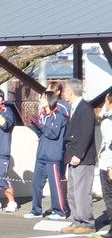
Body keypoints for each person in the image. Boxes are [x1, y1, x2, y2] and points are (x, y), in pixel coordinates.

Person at [26, 91, 69, 220]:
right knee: (36, 184)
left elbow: (53, 133)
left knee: (54, 185)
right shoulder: (43, 115)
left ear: (50, 99)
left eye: (43, 97)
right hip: (41, 154)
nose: (41, 99)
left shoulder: (58, 115)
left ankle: (60, 211)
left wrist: (40, 125)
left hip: (53, 156)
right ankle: (36, 210)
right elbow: (42, 134)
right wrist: (35, 125)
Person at [61, 78, 96, 234]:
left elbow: (86, 134)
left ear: (70, 91)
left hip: (82, 158)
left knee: (82, 191)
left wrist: (78, 154)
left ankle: (87, 223)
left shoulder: (85, 108)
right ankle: (77, 220)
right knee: (72, 191)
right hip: (72, 156)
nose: (63, 93)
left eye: (65, 90)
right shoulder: (75, 107)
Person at [96, 91, 112, 238]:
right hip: (106, 161)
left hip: (109, 162)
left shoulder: (109, 120)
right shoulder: (106, 116)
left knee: (109, 195)